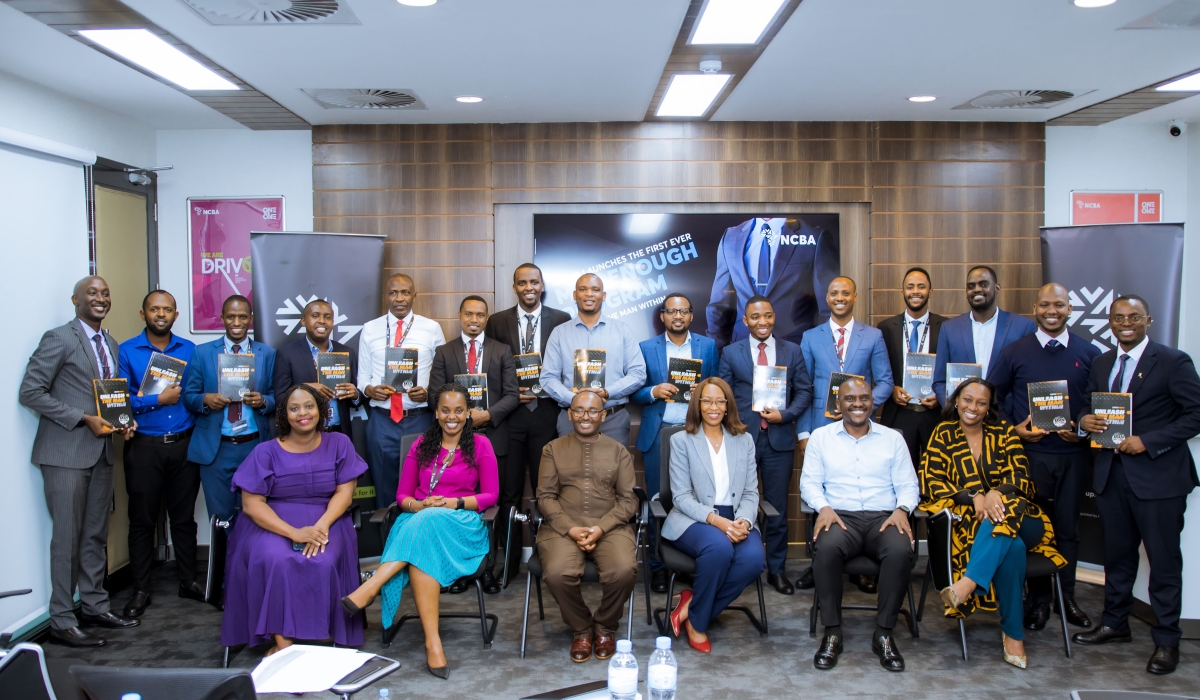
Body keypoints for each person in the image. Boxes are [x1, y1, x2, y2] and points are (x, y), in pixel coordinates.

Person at [1075, 295, 1200, 676]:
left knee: (1162, 562)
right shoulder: (1102, 363)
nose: (1125, 323)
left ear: (1148, 319)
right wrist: (1085, 420)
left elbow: (1196, 414)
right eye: (1118, 318)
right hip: (1112, 476)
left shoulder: (1173, 361)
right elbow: (1085, 404)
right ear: (1109, 323)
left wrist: (1149, 440)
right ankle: (1115, 624)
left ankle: (1167, 641)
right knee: (1118, 556)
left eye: (1133, 317)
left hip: (1159, 479)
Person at [341, 384, 499, 679]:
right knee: (423, 540)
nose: (452, 416)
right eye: (445, 410)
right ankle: (433, 642)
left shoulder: (481, 445)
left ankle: (373, 585)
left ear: (468, 414)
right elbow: (402, 497)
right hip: (418, 522)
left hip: (461, 525)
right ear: (436, 413)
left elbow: (491, 496)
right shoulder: (421, 445)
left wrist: (454, 502)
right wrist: (421, 504)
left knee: (428, 523)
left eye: (459, 410)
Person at [19, 276, 140, 647]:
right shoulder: (59, 338)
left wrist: (124, 422)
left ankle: (94, 605)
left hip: (102, 453)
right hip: (65, 454)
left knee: (94, 536)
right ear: (76, 299)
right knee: (67, 539)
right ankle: (61, 618)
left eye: (105, 293)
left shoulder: (112, 343)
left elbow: (108, 399)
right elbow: (30, 391)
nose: (100, 298)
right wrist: (80, 417)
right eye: (92, 293)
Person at [921, 378, 1067, 670]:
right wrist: (972, 496)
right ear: (956, 401)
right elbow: (931, 480)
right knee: (1010, 547)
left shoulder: (1003, 432)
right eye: (967, 400)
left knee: (1003, 514)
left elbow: (1022, 477)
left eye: (981, 402)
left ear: (990, 408)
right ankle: (1014, 636)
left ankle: (967, 584)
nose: (972, 407)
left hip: (1024, 519)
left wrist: (994, 494)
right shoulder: (943, 433)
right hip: (975, 525)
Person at [220, 384, 367, 654]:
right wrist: (294, 533)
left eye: (309, 406)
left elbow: (345, 494)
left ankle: (320, 632)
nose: (303, 413)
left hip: (328, 519)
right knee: (277, 560)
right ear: (284, 415)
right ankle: (284, 646)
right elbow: (252, 505)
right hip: (273, 523)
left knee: (322, 561)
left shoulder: (339, 443)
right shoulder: (265, 452)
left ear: (321, 411)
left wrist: (321, 527)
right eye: (294, 408)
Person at [989, 283, 1100, 631]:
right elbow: (992, 398)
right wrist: (1015, 430)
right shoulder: (1015, 351)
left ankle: (1065, 598)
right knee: (1034, 531)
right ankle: (1037, 601)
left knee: (1068, 529)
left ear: (1070, 309)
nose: (1052, 311)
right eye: (1045, 305)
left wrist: (1081, 427)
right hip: (1028, 457)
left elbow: (1097, 402)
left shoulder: (1089, 352)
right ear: (1034, 308)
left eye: (1060, 305)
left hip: (1073, 456)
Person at [800, 377, 918, 672]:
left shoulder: (892, 438)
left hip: (884, 517)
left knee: (901, 550)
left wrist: (903, 509)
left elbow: (908, 484)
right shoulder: (821, 437)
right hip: (840, 516)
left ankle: (884, 633)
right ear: (837, 404)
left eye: (864, 398)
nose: (858, 404)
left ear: (872, 401)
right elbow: (809, 483)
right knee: (825, 548)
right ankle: (832, 632)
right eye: (850, 399)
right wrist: (823, 508)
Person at [116, 290, 203, 619]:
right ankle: (140, 589)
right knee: (142, 522)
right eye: (155, 309)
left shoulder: (190, 350)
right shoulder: (127, 350)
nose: (161, 314)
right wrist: (157, 400)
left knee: (183, 520)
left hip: (183, 445)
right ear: (144, 314)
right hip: (144, 447)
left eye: (167, 309)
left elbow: (194, 395)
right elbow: (120, 401)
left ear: (176, 315)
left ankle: (188, 581)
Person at [484, 263, 572, 583]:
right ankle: (507, 563)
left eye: (534, 282)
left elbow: (567, 366)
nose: (528, 288)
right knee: (508, 492)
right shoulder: (496, 322)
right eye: (522, 283)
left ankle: (547, 558)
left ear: (542, 285)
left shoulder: (561, 320)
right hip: (508, 416)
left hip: (547, 412)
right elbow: (490, 367)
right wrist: (507, 394)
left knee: (545, 490)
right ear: (514, 287)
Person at [661, 378, 764, 654]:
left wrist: (743, 521)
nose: (713, 407)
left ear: (729, 406)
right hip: (694, 518)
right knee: (718, 547)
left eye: (720, 401)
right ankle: (697, 624)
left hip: (736, 517)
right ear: (697, 404)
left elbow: (751, 493)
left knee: (754, 559)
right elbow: (681, 497)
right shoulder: (681, 441)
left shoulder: (745, 441)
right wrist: (717, 521)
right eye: (706, 400)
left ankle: (693, 607)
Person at [537, 391, 639, 663]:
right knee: (558, 573)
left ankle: (605, 627)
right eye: (579, 410)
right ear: (569, 414)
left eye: (593, 411)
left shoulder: (619, 451)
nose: (585, 416)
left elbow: (629, 501)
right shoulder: (553, 449)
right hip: (562, 528)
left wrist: (601, 528)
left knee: (624, 569)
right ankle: (582, 628)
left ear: (603, 416)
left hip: (610, 527)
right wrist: (570, 529)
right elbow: (545, 497)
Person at [719, 295, 812, 595]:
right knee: (732, 505)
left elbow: (805, 392)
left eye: (768, 316)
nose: (763, 322)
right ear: (745, 321)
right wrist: (735, 422)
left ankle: (777, 570)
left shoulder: (791, 351)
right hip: (740, 439)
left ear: (774, 317)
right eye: (756, 317)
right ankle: (736, 565)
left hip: (778, 440)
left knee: (777, 510)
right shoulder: (731, 353)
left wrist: (784, 415)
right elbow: (724, 395)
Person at [428, 294, 519, 594]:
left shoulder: (502, 351)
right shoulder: (444, 352)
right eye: (469, 314)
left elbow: (512, 395)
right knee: (461, 505)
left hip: (493, 438)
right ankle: (459, 569)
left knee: (495, 503)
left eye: (480, 315)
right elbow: (434, 396)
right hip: (453, 441)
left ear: (486, 317)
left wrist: (487, 416)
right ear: (459, 316)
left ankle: (490, 570)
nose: (474, 320)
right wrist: (461, 416)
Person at [632, 292, 719, 593]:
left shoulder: (707, 346)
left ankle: (690, 563)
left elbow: (718, 387)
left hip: (696, 432)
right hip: (660, 433)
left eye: (683, 311)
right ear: (663, 316)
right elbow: (635, 391)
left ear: (692, 315)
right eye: (671, 311)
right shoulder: (646, 348)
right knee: (660, 500)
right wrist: (654, 390)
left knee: (697, 500)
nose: (678, 316)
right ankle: (658, 567)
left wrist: (704, 390)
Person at [182, 295, 276, 522]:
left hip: (254, 445)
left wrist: (263, 401)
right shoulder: (202, 353)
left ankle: (248, 559)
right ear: (222, 318)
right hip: (216, 449)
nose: (236, 322)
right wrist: (206, 399)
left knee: (254, 515)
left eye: (242, 317)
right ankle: (223, 559)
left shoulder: (267, 354)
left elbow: (277, 396)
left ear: (251, 319)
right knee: (221, 518)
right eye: (231, 317)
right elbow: (188, 396)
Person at [357, 273, 446, 508]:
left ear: (414, 296)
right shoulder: (369, 329)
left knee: (423, 489)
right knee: (385, 492)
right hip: (382, 421)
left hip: (420, 419)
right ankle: (389, 543)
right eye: (394, 293)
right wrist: (369, 390)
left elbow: (442, 374)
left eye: (405, 292)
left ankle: (417, 542)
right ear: (386, 296)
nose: (399, 298)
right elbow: (362, 377)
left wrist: (428, 393)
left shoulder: (432, 328)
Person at [540, 273, 647, 445]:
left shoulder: (622, 331)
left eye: (595, 290)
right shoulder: (559, 333)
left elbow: (638, 374)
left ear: (603, 296)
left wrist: (608, 392)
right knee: (570, 471)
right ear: (575, 295)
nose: (589, 294)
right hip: (571, 420)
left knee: (613, 472)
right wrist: (573, 399)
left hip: (613, 420)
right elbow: (548, 378)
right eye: (583, 289)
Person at [705, 216, 840, 348]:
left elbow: (828, 307)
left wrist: (824, 354)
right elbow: (719, 305)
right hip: (741, 347)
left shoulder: (814, 236)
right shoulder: (730, 236)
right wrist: (713, 354)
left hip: (793, 348)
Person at [799, 276, 893, 438]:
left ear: (855, 297)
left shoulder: (873, 336)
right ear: (827, 298)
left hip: (861, 425)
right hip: (821, 426)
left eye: (846, 293)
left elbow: (885, 382)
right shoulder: (810, 337)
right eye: (834, 294)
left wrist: (860, 405)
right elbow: (803, 387)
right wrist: (803, 433)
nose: (840, 298)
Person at [931, 266, 1036, 407]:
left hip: (1006, 419)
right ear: (966, 292)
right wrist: (955, 409)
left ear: (997, 288)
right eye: (971, 286)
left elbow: (1028, 381)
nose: (977, 289)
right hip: (963, 419)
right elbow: (940, 381)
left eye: (983, 284)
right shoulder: (949, 328)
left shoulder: (1023, 327)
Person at [877, 267, 946, 468]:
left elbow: (950, 369)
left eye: (921, 286)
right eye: (910, 287)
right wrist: (891, 390)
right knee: (900, 470)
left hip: (934, 413)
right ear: (903, 292)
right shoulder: (886, 327)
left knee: (936, 471)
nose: (915, 291)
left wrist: (940, 396)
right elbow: (880, 370)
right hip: (900, 412)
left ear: (930, 292)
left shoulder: (947, 327)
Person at [273, 298, 360, 439]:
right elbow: (280, 399)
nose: (321, 321)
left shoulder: (347, 352)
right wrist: (305, 388)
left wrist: (355, 394)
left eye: (328, 317)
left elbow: (356, 395)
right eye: (315, 316)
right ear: (303, 321)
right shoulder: (287, 354)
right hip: (303, 435)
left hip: (339, 432)